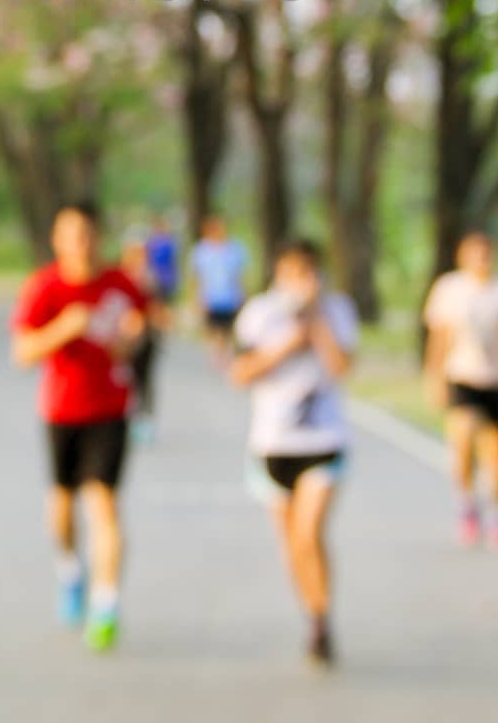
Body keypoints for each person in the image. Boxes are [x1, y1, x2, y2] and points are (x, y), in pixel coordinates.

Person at [12, 200, 147, 652]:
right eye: (71, 235)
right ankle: (70, 569)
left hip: (109, 409)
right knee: (62, 511)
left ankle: (105, 603)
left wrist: (130, 340)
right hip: (60, 411)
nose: (81, 245)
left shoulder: (119, 284)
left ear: (98, 237)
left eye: (88, 235)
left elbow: (140, 328)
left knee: (104, 505)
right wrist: (64, 329)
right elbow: (22, 354)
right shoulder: (43, 288)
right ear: (57, 239)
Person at [231, 238, 358, 668]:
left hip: (323, 442)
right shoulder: (261, 314)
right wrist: (287, 343)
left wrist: (317, 326)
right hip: (272, 444)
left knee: (308, 533)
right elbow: (240, 372)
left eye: (310, 272)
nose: (304, 281)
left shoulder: (337, 311)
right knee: (292, 545)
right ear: (279, 274)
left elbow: (343, 368)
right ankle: (312, 611)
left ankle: (322, 620)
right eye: (294, 272)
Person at [424, 230, 498, 552]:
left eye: (486, 253)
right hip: (462, 376)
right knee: (462, 438)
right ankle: (466, 503)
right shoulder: (450, 289)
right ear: (462, 256)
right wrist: (433, 377)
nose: (481, 260)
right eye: (474, 253)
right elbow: (439, 336)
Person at [120, 236, 170, 444]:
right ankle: (124, 418)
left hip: (147, 338)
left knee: (145, 380)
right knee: (124, 380)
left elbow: (158, 309)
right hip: (122, 341)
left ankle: (145, 421)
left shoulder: (150, 279)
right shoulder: (119, 279)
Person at [190, 215, 248, 360]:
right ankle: (218, 353)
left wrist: (243, 294)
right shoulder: (201, 251)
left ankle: (225, 351)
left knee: (229, 327)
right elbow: (198, 278)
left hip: (230, 296)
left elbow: (239, 275)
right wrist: (197, 299)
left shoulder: (235, 248)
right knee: (215, 328)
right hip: (211, 297)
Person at [144, 215, 180, 306]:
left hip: (166, 278)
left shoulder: (169, 242)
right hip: (156, 277)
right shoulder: (151, 242)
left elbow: (173, 261)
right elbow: (148, 261)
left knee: (166, 302)